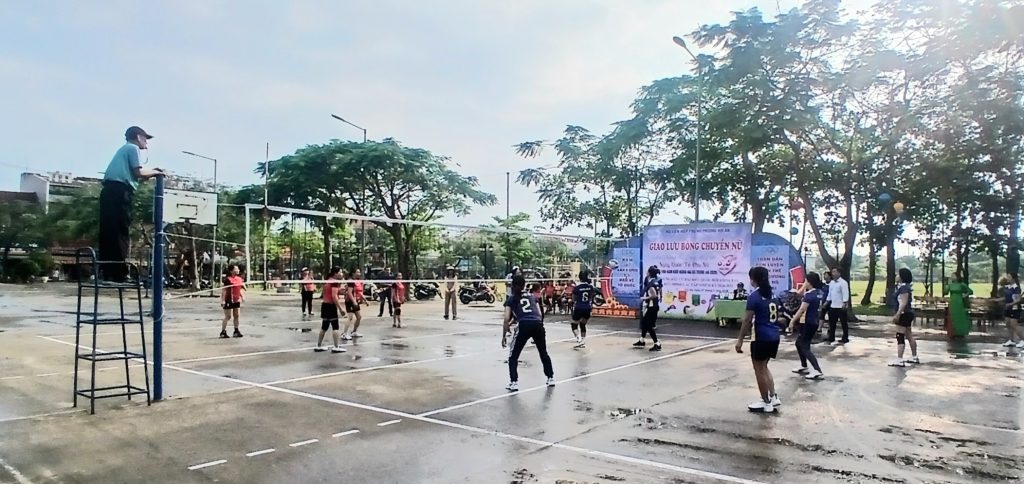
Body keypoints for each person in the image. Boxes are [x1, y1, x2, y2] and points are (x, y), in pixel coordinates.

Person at [99, 126, 164, 282]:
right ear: (138, 137)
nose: (146, 142)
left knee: (109, 231)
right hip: (120, 191)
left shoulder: (124, 150)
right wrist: (157, 172)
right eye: (145, 138)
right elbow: (138, 172)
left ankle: (108, 271)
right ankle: (120, 273)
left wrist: (149, 174)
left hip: (110, 190)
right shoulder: (132, 148)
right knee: (121, 230)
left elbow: (135, 176)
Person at [735, 266, 781, 413]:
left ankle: (766, 402)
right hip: (774, 336)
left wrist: (740, 340)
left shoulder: (754, 296)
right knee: (764, 367)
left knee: (759, 370)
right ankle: (773, 396)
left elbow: (747, 320)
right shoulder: (773, 295)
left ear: (753, 279)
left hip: (761, 337)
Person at [501, 274, 555, 392]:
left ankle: (514, 382)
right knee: (543, 352)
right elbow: (539, 314)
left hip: (524, 325)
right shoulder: (532, 297)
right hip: (537, 324)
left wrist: (504, 336)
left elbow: (506, 319)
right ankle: (550, 377)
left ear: (513, 286)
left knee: (513, 355)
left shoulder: (512, 299)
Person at [788, 272, 826, 380]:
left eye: (805, 281)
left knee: (804, 346)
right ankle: (804, 365)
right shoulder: (819, 293)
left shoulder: (809, 295)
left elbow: (801, 309)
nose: (804, 283)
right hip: (814, 321)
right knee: (799, 343)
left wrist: (792, 321)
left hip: (808, 322)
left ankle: (817, 370)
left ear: (809, 282)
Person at [889, 268, 920, 366]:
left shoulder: (903, 288)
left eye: (898, 274)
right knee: (909, 335)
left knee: (900, 335)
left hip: (904, 314)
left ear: (902, 276)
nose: (897, 276)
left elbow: (903, 302)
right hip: (907, 313)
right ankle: (914, 357)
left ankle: (899, 359)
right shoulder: (905, 287)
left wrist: (898, 314)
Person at [315, 267, 347, 353]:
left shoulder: (328, 280)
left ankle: (319, 346)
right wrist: (340, 308)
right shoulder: (334, 282)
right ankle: (336, 347)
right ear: (335, 273)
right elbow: (334, 296)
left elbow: (331, 292)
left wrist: (341, 291)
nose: (341, 274)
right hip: (330, 306)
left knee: (324, 327)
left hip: (325, 305)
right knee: (335, 327)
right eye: (340, 272)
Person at [633, 266, 662, 352]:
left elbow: (654, 295)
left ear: (649, 273)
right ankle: (642, 340)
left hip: (652, 307)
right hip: (653, 306)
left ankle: (657, 343)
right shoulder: (655, 281)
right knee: (645, 323)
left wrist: (644, 298)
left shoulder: (651, 283)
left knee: (648, 325)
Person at [825, 268, 851, 345]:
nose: (833, 273)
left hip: (840, 306)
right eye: (832, 272)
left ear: (839, 273)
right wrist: (827, 301)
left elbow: (845, 293)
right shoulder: (832, 283)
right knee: (832, 322)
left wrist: (845, 302)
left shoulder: (843, 283)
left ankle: (845, 337)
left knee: (843, 322)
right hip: (833, 305)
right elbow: (830, 293)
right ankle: (831, 337)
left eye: (834, 272)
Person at [997, 274, 1024, 348]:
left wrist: (1010, 304)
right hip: (1008, 308)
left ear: (1013, 279)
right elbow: (1005, 297)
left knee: (1013, 324)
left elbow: (1018, 299)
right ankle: (1011, 340)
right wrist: (996, 300)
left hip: (1014, 308)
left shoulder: (1016, 288)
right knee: (1008, 324)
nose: (1007, 278)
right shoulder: (1007, 287)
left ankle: (1023, 340)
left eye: (1009, 277)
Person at [219, 265, 245, 338]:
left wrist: (242, 296)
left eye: (238, 269)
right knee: (228, 316)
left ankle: (236, 331)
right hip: (228, 300)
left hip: (236, 300)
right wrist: (223, 301)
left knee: (237, 316)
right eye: (236, 269)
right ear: (231, 271)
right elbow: (224, 290)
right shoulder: (228, 279)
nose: (238, 270)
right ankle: (223, 332)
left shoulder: (239, 279)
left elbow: (240, 289)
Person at [571, 270, 595, 349]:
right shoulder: (590, 287)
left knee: (574, 324)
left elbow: (573, 299)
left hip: (579, 307)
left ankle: (578, 339)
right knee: (583, 324)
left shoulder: (577, 288)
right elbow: (591, 297)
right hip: (587, 308)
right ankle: (583, 340)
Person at [342, 271, 363, 340]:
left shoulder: (354, 281)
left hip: (354, 301)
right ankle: (344, 334)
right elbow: (349, 293)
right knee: (350, 318)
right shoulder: (350, 281)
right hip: (350, 302)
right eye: (357, 272)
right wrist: (354, 302)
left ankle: (354, 332)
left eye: (359, 272)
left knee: (359, 317)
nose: (359, 273)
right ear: (353, 273)